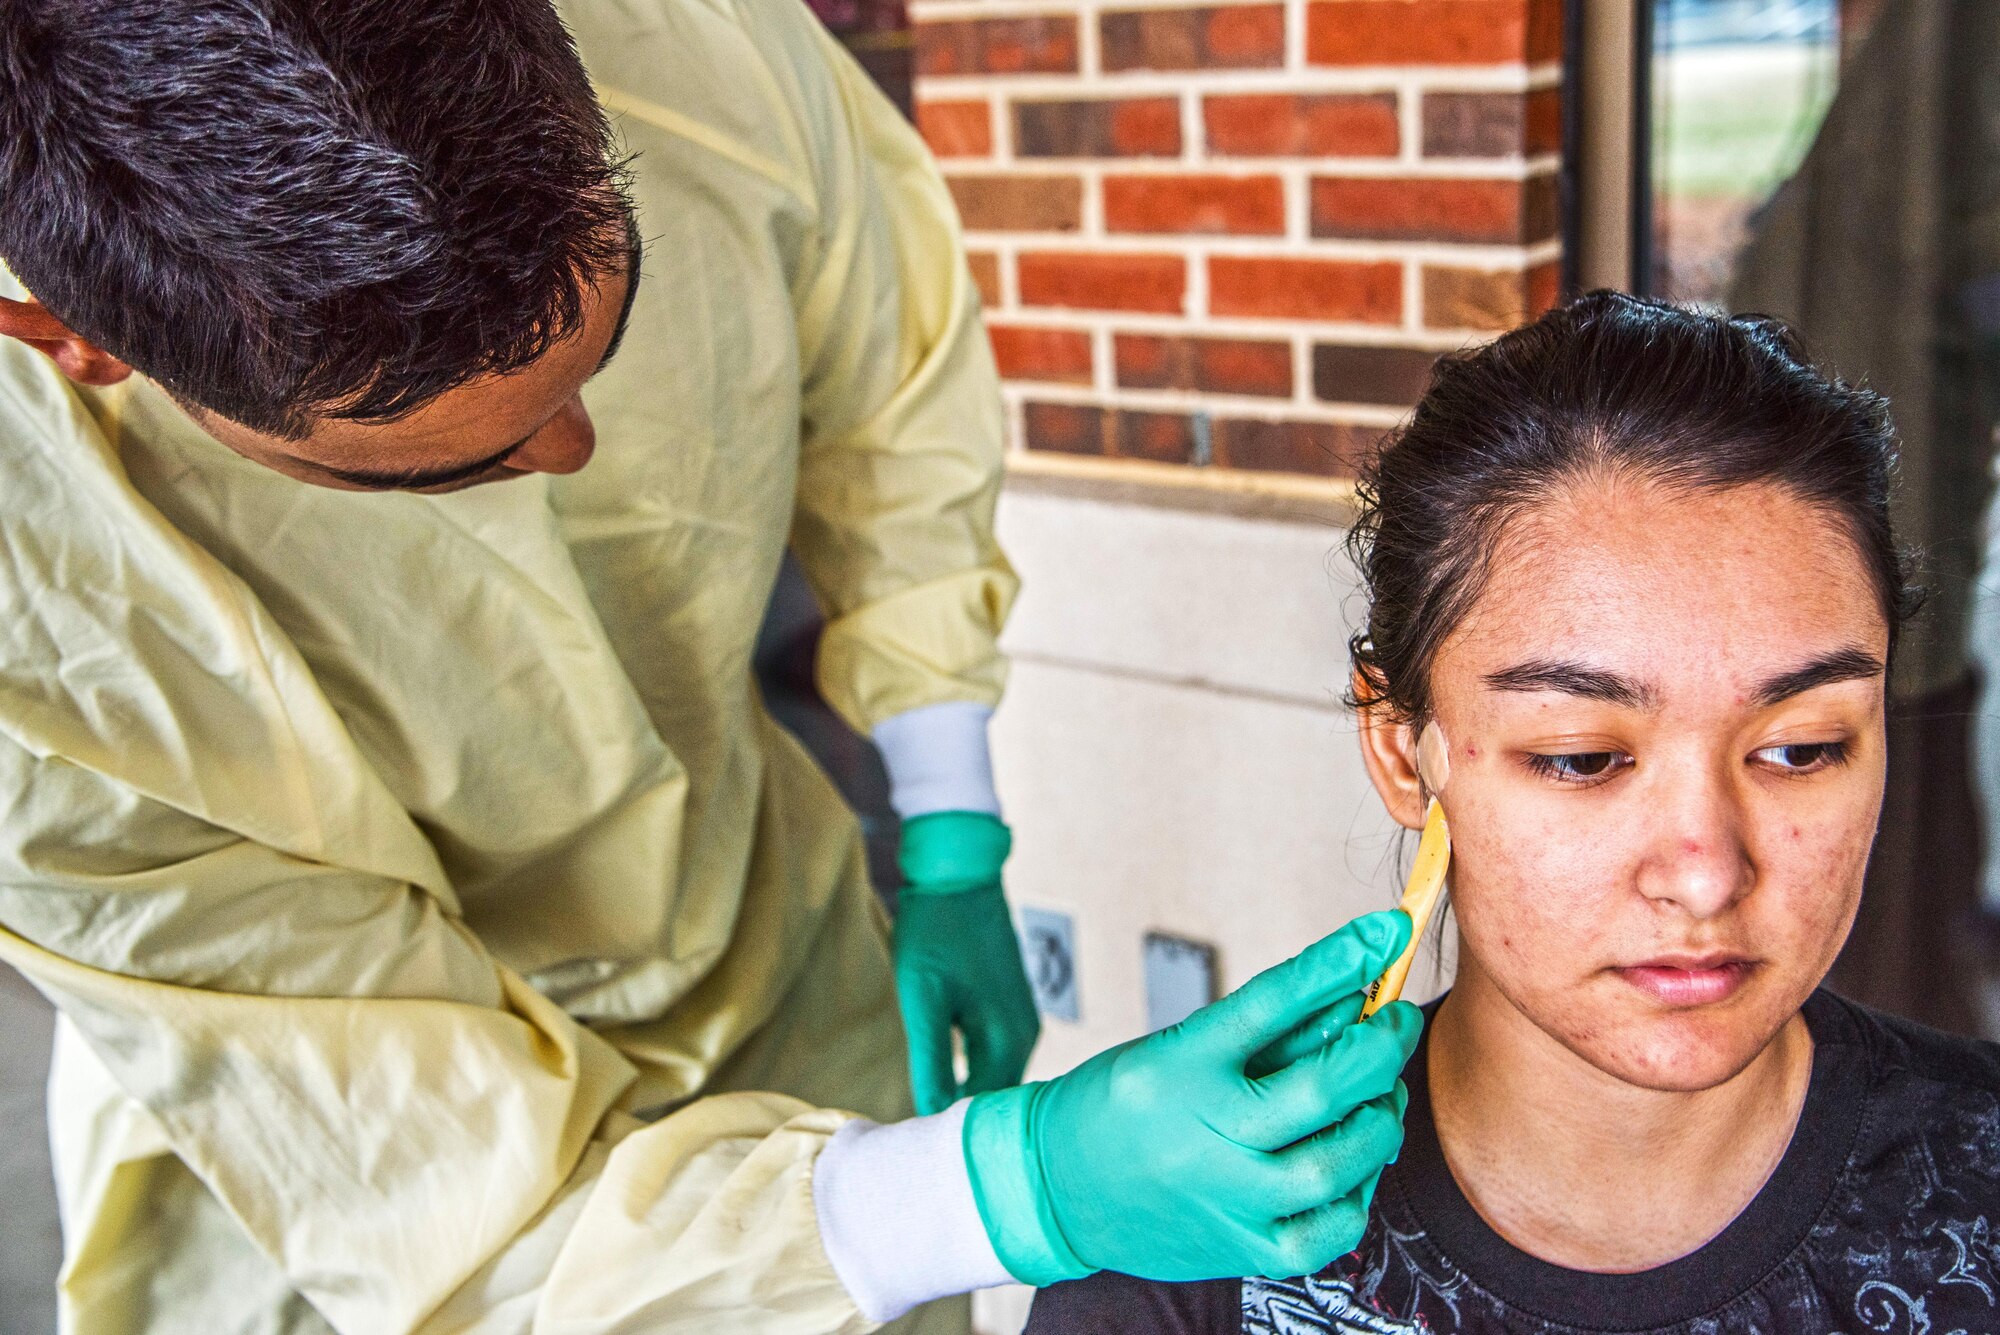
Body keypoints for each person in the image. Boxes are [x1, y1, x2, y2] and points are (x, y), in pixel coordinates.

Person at [0, 2, 1419, 1332]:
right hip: (355, 1166)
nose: (570, 455)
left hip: (773, 954)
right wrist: (1014, 1187)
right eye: (462, 459)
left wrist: (946, 815)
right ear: (77, 340)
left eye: (602, 353)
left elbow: (888, 371)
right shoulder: (37, 657)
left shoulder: (689, 38)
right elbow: (461, 1222)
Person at [1025, 292, 2000, 1335]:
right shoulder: (1194, 1255)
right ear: (1404, 751)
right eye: (1581, 759)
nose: (1706, 873)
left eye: (1800, 748)